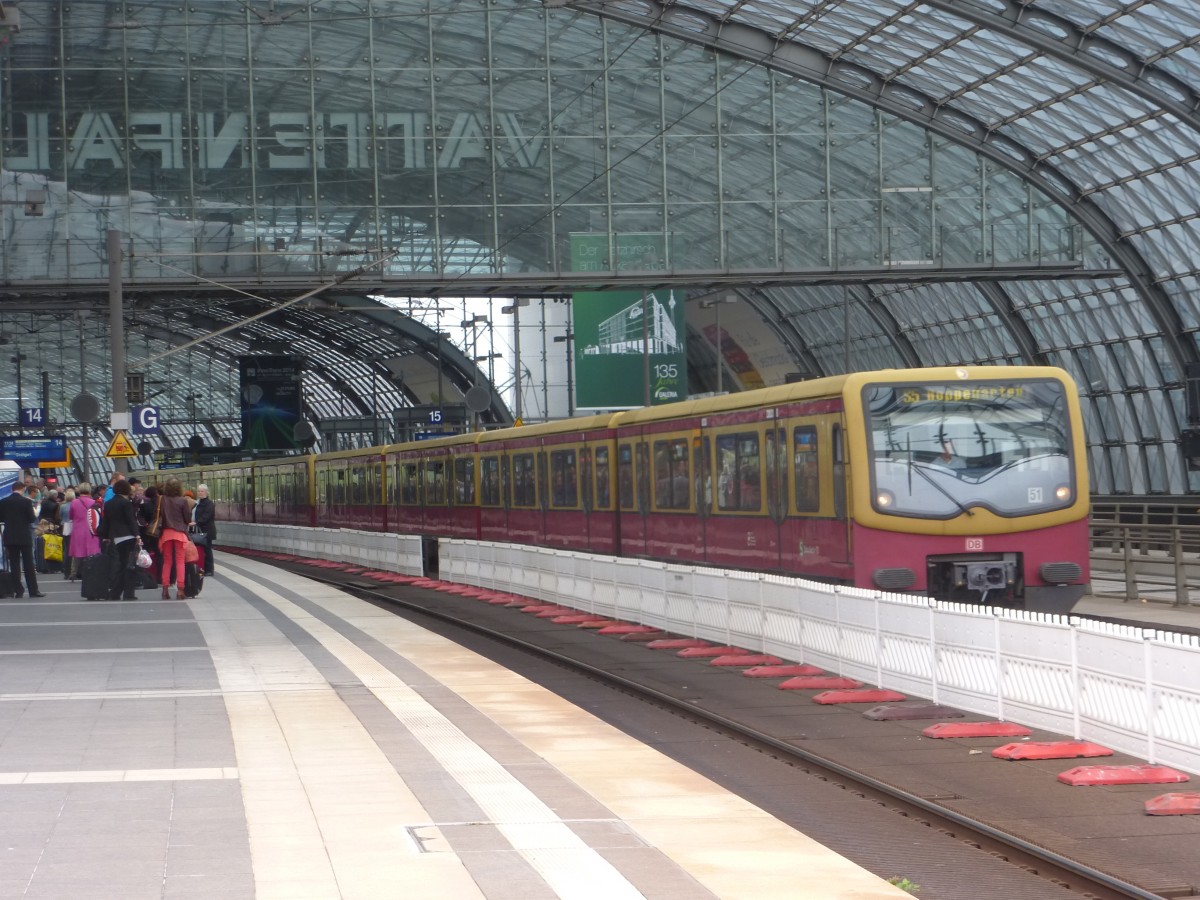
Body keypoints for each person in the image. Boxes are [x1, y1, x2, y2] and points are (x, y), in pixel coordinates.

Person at [97, 479, 139, 601]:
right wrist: (137, 535)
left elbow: (107, 522)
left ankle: (115, 593)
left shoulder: (109, 503)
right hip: (128, 536)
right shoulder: (126, 503)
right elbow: (131, 520)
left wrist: (105, 536)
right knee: (130, 565)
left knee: (122, 565)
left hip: (116, 538)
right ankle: (128, 593)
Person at [0, 482, 43, 598]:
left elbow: (1, 518)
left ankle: (18, 591)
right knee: (28, 564)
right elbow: (31, 519)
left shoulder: (3, 502)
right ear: (23, 489)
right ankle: (33, 591)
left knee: (14, 564)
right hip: (24, 536)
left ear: (12, 489)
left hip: (10, 536)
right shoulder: (26, 502)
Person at [157, 478, 193, 600]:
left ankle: (165, 589)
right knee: (180, 561)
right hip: (179, 534)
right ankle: (180, 590)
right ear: (179, 488)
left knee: (167, 562)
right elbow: (187, 519)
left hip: (166, 534)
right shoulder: (183, 501)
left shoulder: (162, 500)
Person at [66, 484, 101, 581]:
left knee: (77, 552)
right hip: (91, 529)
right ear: (90, 491)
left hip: (78, 530)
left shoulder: (74, 502)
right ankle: (91, 571)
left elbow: (70, 516)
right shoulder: (94, 502)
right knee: (91, 551)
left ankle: (73, 572)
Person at [193, 483, 216, 576]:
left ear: (206, 492)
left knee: (207, 550)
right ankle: (202, 568)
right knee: (200, 550)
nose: (200, 493)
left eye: (202, 491)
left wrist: (196, 522)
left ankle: (209, 570)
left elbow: (206, 516)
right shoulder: (197, 503)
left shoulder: (209, 504)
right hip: (198, 530)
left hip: (207, 531)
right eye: (198, 491)